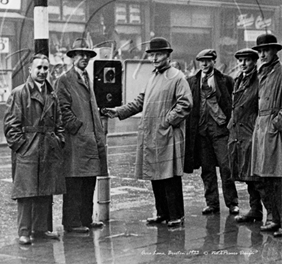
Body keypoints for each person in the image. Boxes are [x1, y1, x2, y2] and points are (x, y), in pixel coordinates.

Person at [102, 37, 192, 228]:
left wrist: (167, 122)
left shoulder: (177, 77)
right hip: (152, 134)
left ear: (168, 55)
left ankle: (176, 215)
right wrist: (118, 111)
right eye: (152, 55)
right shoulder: (153, 77)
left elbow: (185, 104)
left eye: (158, 54)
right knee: (155, 176)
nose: (154, 58)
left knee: (170, 177)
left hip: (167, 135)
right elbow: (140, 101)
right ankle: (162, 213)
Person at [4, 54, 65, 245]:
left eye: (45, 68)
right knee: (26, 192)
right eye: (38, 68)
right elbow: (11, 126)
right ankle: (24, 232)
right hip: (29, 148)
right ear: (30, 70)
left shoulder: (52, 94)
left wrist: (59, 140)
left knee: (45, 190)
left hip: (48, 147)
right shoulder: (19, 93)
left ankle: (41, 229)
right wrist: (23, 147)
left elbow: (59, 122)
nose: (42, 72)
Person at [55, 38, 108, 234]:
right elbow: (62, 109)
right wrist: (78, 128)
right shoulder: (64, 80)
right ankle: (71, 222)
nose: (84, 58)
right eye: (80, 55)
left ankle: (86, 218)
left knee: (88, 181)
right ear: (72, 58)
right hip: (76, 142)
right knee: (74, 183)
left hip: (89, 140)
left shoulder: (86, 78)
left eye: (87, 55)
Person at [185, 49, 239, 215]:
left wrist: (230, 125)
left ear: (214, 61)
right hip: (201, 133)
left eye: (208, 60)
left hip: (220, 130)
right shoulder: (191, 82)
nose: (205, 64)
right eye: (202, 61)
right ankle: (212, 203)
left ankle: (232, 203)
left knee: (226, 167)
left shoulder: (226, 81)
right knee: (207, 170)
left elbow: (234, 104)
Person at [228, 48, 272, 223]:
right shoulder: (238, 80)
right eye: (240, 61)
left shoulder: (259, 80)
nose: (243, 64)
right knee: (248, 176)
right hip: (238, 133)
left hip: (252, 131)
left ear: (254, 62)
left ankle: (273, 215)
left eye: (247, 60)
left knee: (259, 178)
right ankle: (255, 210)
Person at [251, 33, 282, 236]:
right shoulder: (262, 72)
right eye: (260, 51)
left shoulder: (280, 72)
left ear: (275, 51)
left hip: (274, 129)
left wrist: (276, 122)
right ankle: (272, 217)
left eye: (266, 50)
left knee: (277, 178)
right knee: (262, 178)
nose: (262, 54)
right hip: (260, 128)